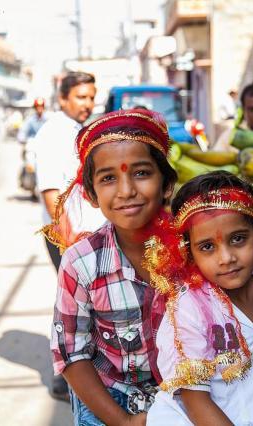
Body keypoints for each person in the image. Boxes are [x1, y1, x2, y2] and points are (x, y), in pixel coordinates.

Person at [45, 109, 178, 425]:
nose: (126, 191)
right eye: (108, 178)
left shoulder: (195, 251)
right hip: (109, 402)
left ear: (167, 184)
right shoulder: (81, 263)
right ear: (91, 193)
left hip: (188, 398)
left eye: (142, 173)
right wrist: (124, 422)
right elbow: (72, 355)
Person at [144, 171, 253, 426]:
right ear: (190, 254)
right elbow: (197, 402)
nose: (226, 257)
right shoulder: (189, 309)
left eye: (238, 239)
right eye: (207, 247)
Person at [34, 72, 107, 400]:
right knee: (73, 307)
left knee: (85, 307)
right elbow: (51, 194)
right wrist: (70, 244)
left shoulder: (78, 130)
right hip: (69, 236)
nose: (87, 103)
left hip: (85, 234)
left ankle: (83, 370)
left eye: (91, 97)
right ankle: (66, 378)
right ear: (63, 98)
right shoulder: (53, 133)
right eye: (81, 97)